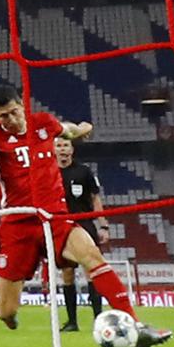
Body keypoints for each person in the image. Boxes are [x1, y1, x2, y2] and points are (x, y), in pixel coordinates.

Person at [0, 84, 171, 347]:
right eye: (3, 116)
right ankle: (8, 315)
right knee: (5, 310)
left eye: (14, 112)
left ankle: (137, 325)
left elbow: (69, 130)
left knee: (92, 256)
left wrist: (85, 129)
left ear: (22, 107)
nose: (10, 120)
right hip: (17, 225)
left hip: (55, 218)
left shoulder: (44, 123)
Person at [54, 137, 110, 332]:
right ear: (53, 150)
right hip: (61, 226)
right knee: (67, 274)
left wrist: (103, 225)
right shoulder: (48, 172)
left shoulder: (84, 171)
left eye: (65, 145)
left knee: (91, 272)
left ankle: (99, 320)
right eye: (59, 146)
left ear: (72, 149)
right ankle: (72, 322)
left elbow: (95, 198)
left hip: (84, 224)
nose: (62, 149)